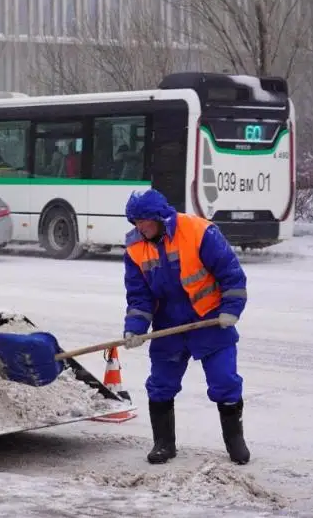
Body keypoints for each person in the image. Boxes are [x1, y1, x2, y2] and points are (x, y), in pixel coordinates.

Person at [121, 188, 250, 465]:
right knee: (160, 385)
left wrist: (231, 310)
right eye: (135, 222)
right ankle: (164, 444)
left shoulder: (198, 231)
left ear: (159, 217)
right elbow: (139, 296)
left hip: (210, 319)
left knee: (224, 381)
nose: (139, 227)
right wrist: (135, 328)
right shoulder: (134, 248)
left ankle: (235, 442)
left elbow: (231, 274)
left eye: (144, 220)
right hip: (169, 324)